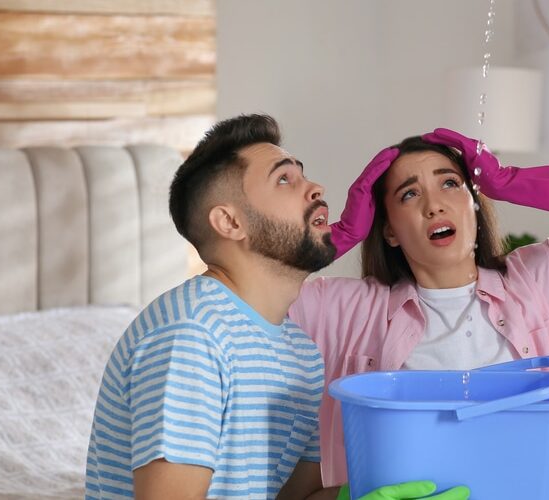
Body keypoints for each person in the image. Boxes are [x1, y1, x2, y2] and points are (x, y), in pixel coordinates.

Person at [84, 114, 467, 500]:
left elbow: (289, 498)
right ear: (230, 221)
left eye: (302, 175)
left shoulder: (300, 353)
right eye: (285, 179)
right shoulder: (192, 337)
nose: (316, 188)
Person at [290, 128, 549, 500]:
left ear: (474, 202)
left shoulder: (543, 282)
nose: (433, 205)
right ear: (389, 230)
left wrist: (509, 181)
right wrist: (338, 236)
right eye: (409, 194)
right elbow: (242, 294)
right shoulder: (343, 308)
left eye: (450, 184)